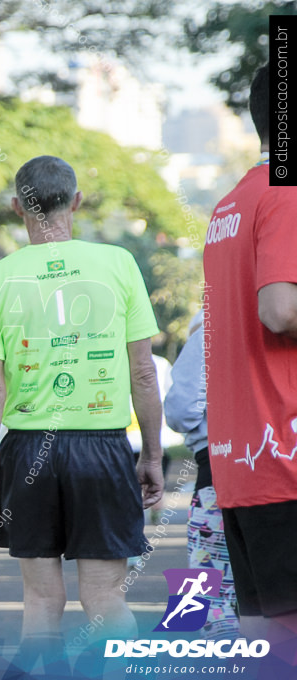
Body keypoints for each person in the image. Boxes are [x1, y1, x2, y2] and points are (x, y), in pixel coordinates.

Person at [0, 156, 164, 672]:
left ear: (17, 208)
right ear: (75, 201)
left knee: (41, 606)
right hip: (101, 447)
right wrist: (154, 457)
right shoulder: (119, 263)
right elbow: (143, 373)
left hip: (28, 449)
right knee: (105, 602)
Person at [203, 64, 297, 647]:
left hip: (242, 464)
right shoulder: (287, 195)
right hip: (286, 460)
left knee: (273, 640)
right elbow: (280, 310)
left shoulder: (231, 203)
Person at [163, 312, 238, 639]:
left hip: (218, 463)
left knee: (206, 594)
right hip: (282, 461)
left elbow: (180, 407)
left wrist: (200, 433)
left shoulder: (216, 321)